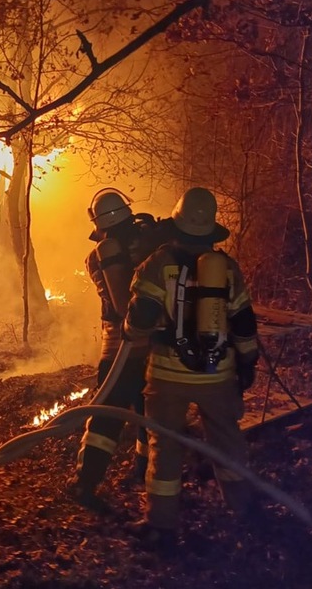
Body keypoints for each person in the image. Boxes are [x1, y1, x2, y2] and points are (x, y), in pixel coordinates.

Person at [123, 186, 259, 548]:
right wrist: (247, 361)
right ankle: (245, 512)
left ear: (177, 224)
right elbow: (244, 322)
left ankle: (160, 526)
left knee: (164, 447)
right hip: (218, 374)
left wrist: (130, 331)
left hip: (168, 375)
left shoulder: (158, 262)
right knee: (228, 443)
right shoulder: (227, 268)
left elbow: (142, 316)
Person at [66, 187, 171, 513]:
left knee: (104, 420)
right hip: (155, 344)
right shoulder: (147, 239)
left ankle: (85, 483)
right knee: (146, 413)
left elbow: (120, 305)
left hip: (121, 347)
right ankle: (144, 472)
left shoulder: (104, 250)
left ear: (99, 222)